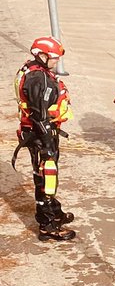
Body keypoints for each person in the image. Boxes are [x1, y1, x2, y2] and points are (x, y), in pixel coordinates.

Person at [13, 36, 76, 241]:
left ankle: (54, 209)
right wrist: (48, 142)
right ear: (41, 56)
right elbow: (38, 114)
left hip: (42, 131)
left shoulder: (33, 70)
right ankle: (47, 225)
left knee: (48, 175)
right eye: (54, 58)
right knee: (45, 177)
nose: (57, 61)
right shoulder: (37, 78)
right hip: (40, 133)